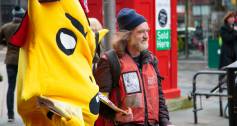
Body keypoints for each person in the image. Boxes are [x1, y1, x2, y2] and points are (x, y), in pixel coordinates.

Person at [94, 8, 173, 126]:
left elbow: (160, 98)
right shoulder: (110, 61)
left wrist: (166, 122)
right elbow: (98, 101)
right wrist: (115, 116)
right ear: (127, 35)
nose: (146, 36)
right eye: (141, 32)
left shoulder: (151, 60)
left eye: (147, 31)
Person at [0, 6, 25, 122]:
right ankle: (27, 114)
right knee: (25, 89)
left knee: (11, 87)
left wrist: (6, 43)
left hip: (10, 61)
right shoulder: (26, 28)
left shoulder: (5, 27)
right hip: (23, 62)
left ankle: (10, 115)